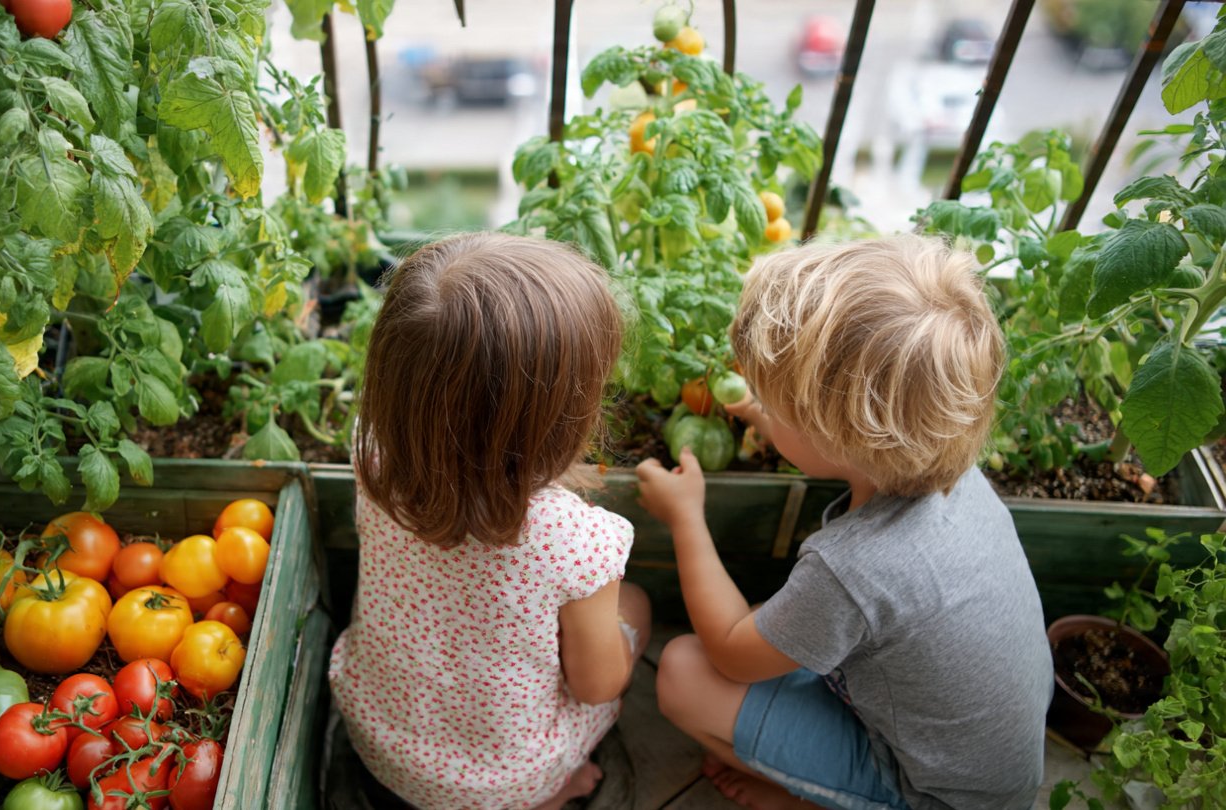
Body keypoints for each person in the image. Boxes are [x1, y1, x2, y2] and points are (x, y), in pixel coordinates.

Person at [636, 235, 1053, 810]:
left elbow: (732, 653)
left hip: (930, 795)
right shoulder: (945, 467)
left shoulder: (854, 567)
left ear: (833, 437)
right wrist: (772, 414)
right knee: (774, 622)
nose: (760, 405)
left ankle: (814, 800)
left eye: (773, 404)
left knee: (683, 672)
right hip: (979, 761)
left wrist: (685, 517)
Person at [329, 232, 651, 810]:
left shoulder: (372, 455)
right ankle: (549, 794)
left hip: (378, 740)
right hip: (499, 782)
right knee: (637, 612)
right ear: (558, 418)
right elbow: (597, 686)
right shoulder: (575, 542)